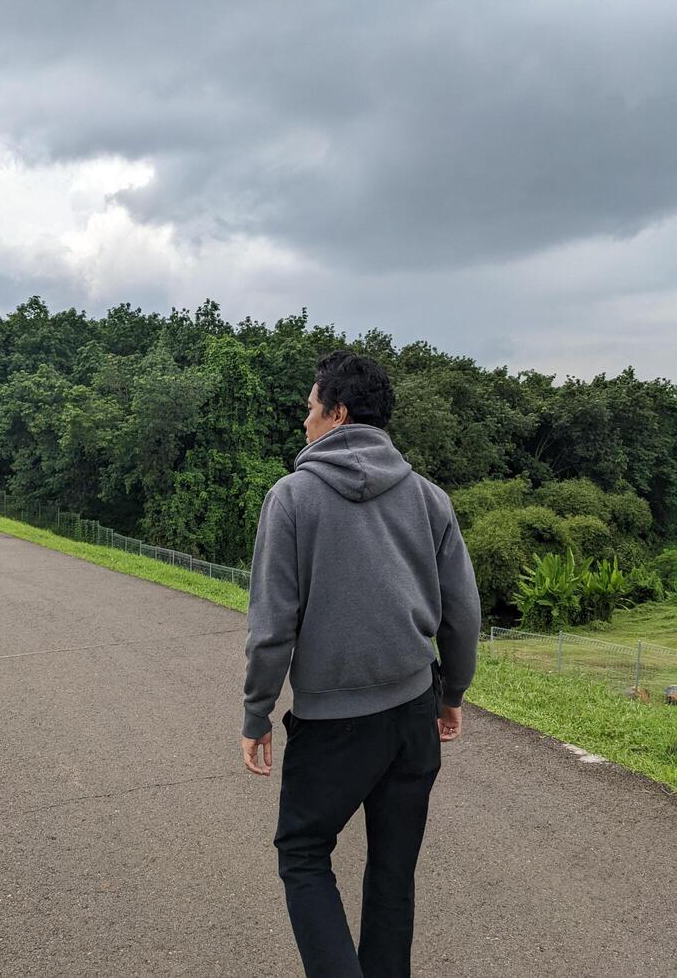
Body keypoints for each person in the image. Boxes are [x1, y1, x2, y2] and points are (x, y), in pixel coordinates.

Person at [241, 350, 481, 978]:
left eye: (310, 406)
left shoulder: (291, 498)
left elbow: (272, 627)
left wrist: (256, 712)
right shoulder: (430, 499)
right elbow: (463, 614)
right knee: (393, 873)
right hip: (412, 712)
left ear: (339, 414)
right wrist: (452, 693)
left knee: (302, 850)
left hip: (334, 722)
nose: (304, 420)